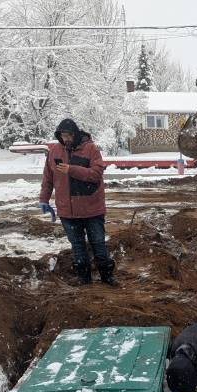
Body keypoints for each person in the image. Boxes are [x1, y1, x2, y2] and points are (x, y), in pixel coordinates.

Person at [39, 118, 116, 285]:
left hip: (91, 209)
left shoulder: (90, 149)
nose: (65, 139)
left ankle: (107, 276)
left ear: (75, 134)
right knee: (78, 246)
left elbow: (96, 174)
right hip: (67, 211)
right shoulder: (54, 152)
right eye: (62, 136)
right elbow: (48, 179)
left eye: (68, 135)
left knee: (98, 243)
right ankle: (84, 278)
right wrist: (43, 199)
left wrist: (71, 169)